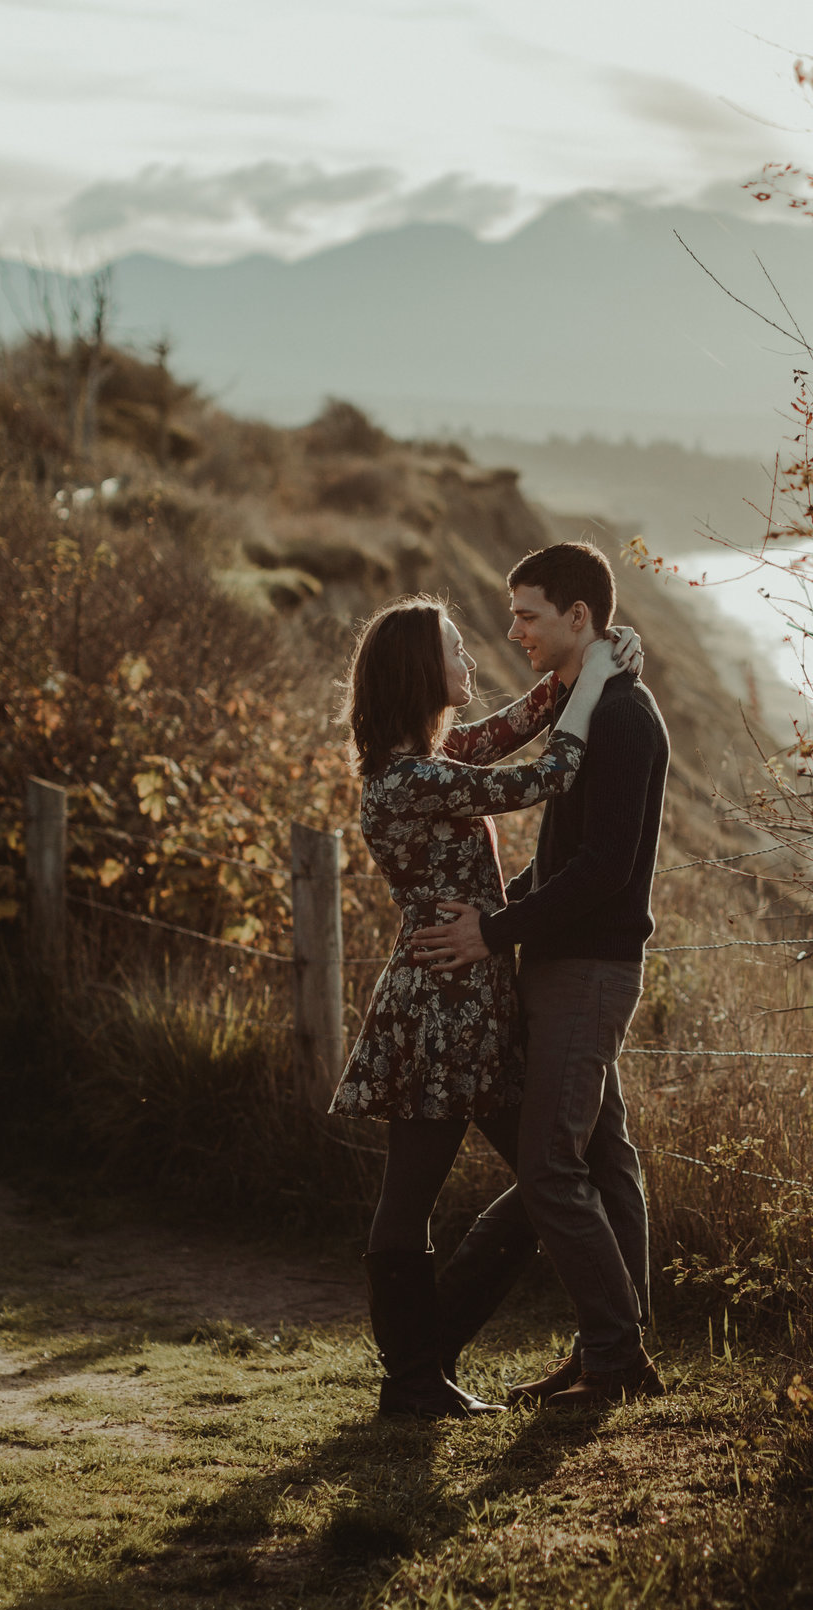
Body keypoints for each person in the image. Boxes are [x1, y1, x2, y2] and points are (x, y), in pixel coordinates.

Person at [329, 594, 639, 1419]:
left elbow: (509, 726)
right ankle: (413, 1379)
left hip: (471, 999)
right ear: (419, 672)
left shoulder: (427, 758)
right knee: (429, 1192)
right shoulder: (412, 779)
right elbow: (547, 773)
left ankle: (433, 1360)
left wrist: (592, 659)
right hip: (438, 1007)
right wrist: (594, 680)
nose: (473, 660)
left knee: (545, 1174)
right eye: (456, 648)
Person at [411, 542, 671, 1409]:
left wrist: (495, 930)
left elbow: (600, 869)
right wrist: (502, 913)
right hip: (566, 958)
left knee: (549, 1165)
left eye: (527, 614)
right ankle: (610, 1347)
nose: (513, 628)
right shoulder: (584, 708)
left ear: (578, 618)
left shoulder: (625, 719)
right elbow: (563, 856)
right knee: (605, 1156)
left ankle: (613, 1357)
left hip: (590, 967)